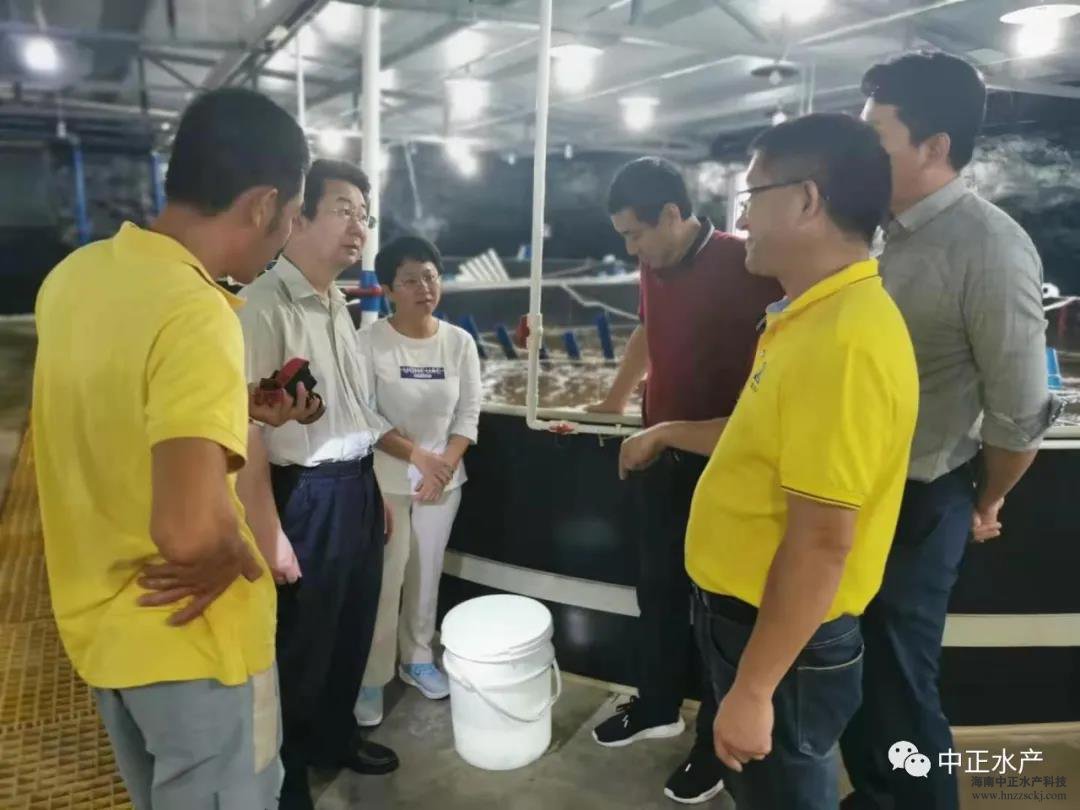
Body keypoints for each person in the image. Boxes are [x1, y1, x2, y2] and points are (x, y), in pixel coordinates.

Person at [32, 88, 309, 809]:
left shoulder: (75, 277)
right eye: (293, 215)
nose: (286, 236)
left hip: (102, 635)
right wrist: (234, 547)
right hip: (197, 644)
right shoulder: (196, 310)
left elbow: (113, 410)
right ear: (262, 205)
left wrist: (230, 409)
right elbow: (186, 534)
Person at [669, 112, 918, 810]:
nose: (742, 217)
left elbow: (821, 540)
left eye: (753, 195)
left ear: (808, 200)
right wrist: (666, 433)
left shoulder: (843, 343)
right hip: (752, 621)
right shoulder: (808, 317)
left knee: (785, 792)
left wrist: (753, 690)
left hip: (781, 643)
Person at [840, 52, 1060, 810]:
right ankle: (876, 797)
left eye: (876, 136)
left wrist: (986, 500)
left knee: (901, 686)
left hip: (919, 501)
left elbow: (1019, 414)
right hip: (850, 494)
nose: (861, 153)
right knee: (855, 670)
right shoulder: (875, 233)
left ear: (934, 146)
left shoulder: (989, 247)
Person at [587, 156, 781, 805]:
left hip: (724, 461)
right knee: (659, 589)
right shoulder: (656, 261)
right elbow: (649, 328)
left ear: (672, 214)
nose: (631, 249)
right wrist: (616, 400)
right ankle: (657, 705)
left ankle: (713, 744)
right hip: (659, 454)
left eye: (635, 233)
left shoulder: (748, 263)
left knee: (720, 609)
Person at [237, 158, 400, 809]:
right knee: (301, 645)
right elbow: (246, 428)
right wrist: (269, 531)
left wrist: (374, 487)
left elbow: (355, 415)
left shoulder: (337, 304)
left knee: (352, 627)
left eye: (364, 215)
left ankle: (336, 737)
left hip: (354, 486)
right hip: (303, 494)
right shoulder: (261, 306)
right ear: (296, 218)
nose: (358, 226)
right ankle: (289, 777)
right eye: (342, 210)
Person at [353, 235, 482, 724]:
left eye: (430, 277)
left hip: (442, 483)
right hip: (385, 480)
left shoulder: (459, 342)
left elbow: (468, 413)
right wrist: (417, 457)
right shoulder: (369, 342)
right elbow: (364, 413)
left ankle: (418, 659)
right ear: (388, 290)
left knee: (426, 575)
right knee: (386, 579)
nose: (423, 287)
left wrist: (441, 466)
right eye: (409, 280)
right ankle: (372, 677)